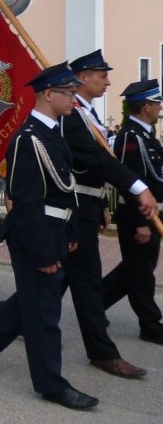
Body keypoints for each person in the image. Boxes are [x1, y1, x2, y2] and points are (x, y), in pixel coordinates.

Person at [0, 63, 99, 411]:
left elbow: (62, 190)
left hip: (54, 230)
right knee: (45, 315)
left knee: (36, 298)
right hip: (34, 234)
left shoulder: (53, 133)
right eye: (69, 94)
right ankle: (51, 384)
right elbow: (25, 204)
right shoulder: (28, 140)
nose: (75, 99)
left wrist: (69, 231)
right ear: (48, 94)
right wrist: (43, 254)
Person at [56, 49, 154, 378]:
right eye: (102, 75)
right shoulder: (71, 115)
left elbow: (94, 167)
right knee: (84, 282)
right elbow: (95, 160)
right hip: (74, 209)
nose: (108, 81)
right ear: (82, 78)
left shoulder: (87, 113)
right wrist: (137, 188)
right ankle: (102, 352)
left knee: (59, 279)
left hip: (87, 206)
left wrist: (100, 205)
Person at [103, 79, 163, 346]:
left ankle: (92, 306)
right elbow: (130, 180)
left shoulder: (147, 134)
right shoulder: (130, 136)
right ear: (146, 106)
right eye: (157, 103)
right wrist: (141, 222)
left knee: (135, 269)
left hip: (152, 213)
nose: (160, 107)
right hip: (139, 215)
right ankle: (150, 325)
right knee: (140, 272)